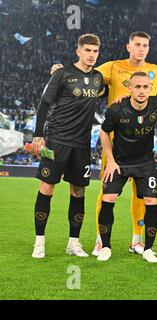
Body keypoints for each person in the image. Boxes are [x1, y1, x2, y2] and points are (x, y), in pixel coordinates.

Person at [51, 31, 157, 256]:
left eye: (145, 45)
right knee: (107, 191)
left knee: (142, 195)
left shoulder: (156, 72)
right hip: (114, 143)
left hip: (142, 143)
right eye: (137, 44)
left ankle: (137, 240)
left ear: (149, 49)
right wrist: (61, 71)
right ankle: (101, 240)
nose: (141, 49)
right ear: (128, 46)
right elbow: (87, 73)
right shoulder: (112, 67)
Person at [31, 34, 104, 258]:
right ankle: (39, 242)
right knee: (47, 187)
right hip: (57, 140)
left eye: (95, 51)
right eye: (88, 50)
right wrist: (38, 136)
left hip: (81, 144)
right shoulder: (62, 74)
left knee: (79, 191)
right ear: (78, 51)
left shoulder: (99, 78)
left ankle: (73, 243)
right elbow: (44, 104)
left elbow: (109, 90)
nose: (92, 55)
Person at [96, 72, 157, 262]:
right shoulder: (116, 110)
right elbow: (104, 134)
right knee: (108, 197)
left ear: (150, 88)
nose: (142, 91)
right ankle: (105, 247)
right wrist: (110, 161)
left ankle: (148, 249)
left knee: (152, 201)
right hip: (120, 162)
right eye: (137, 86)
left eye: (146, 87)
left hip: (145, 163)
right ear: (129, 88)